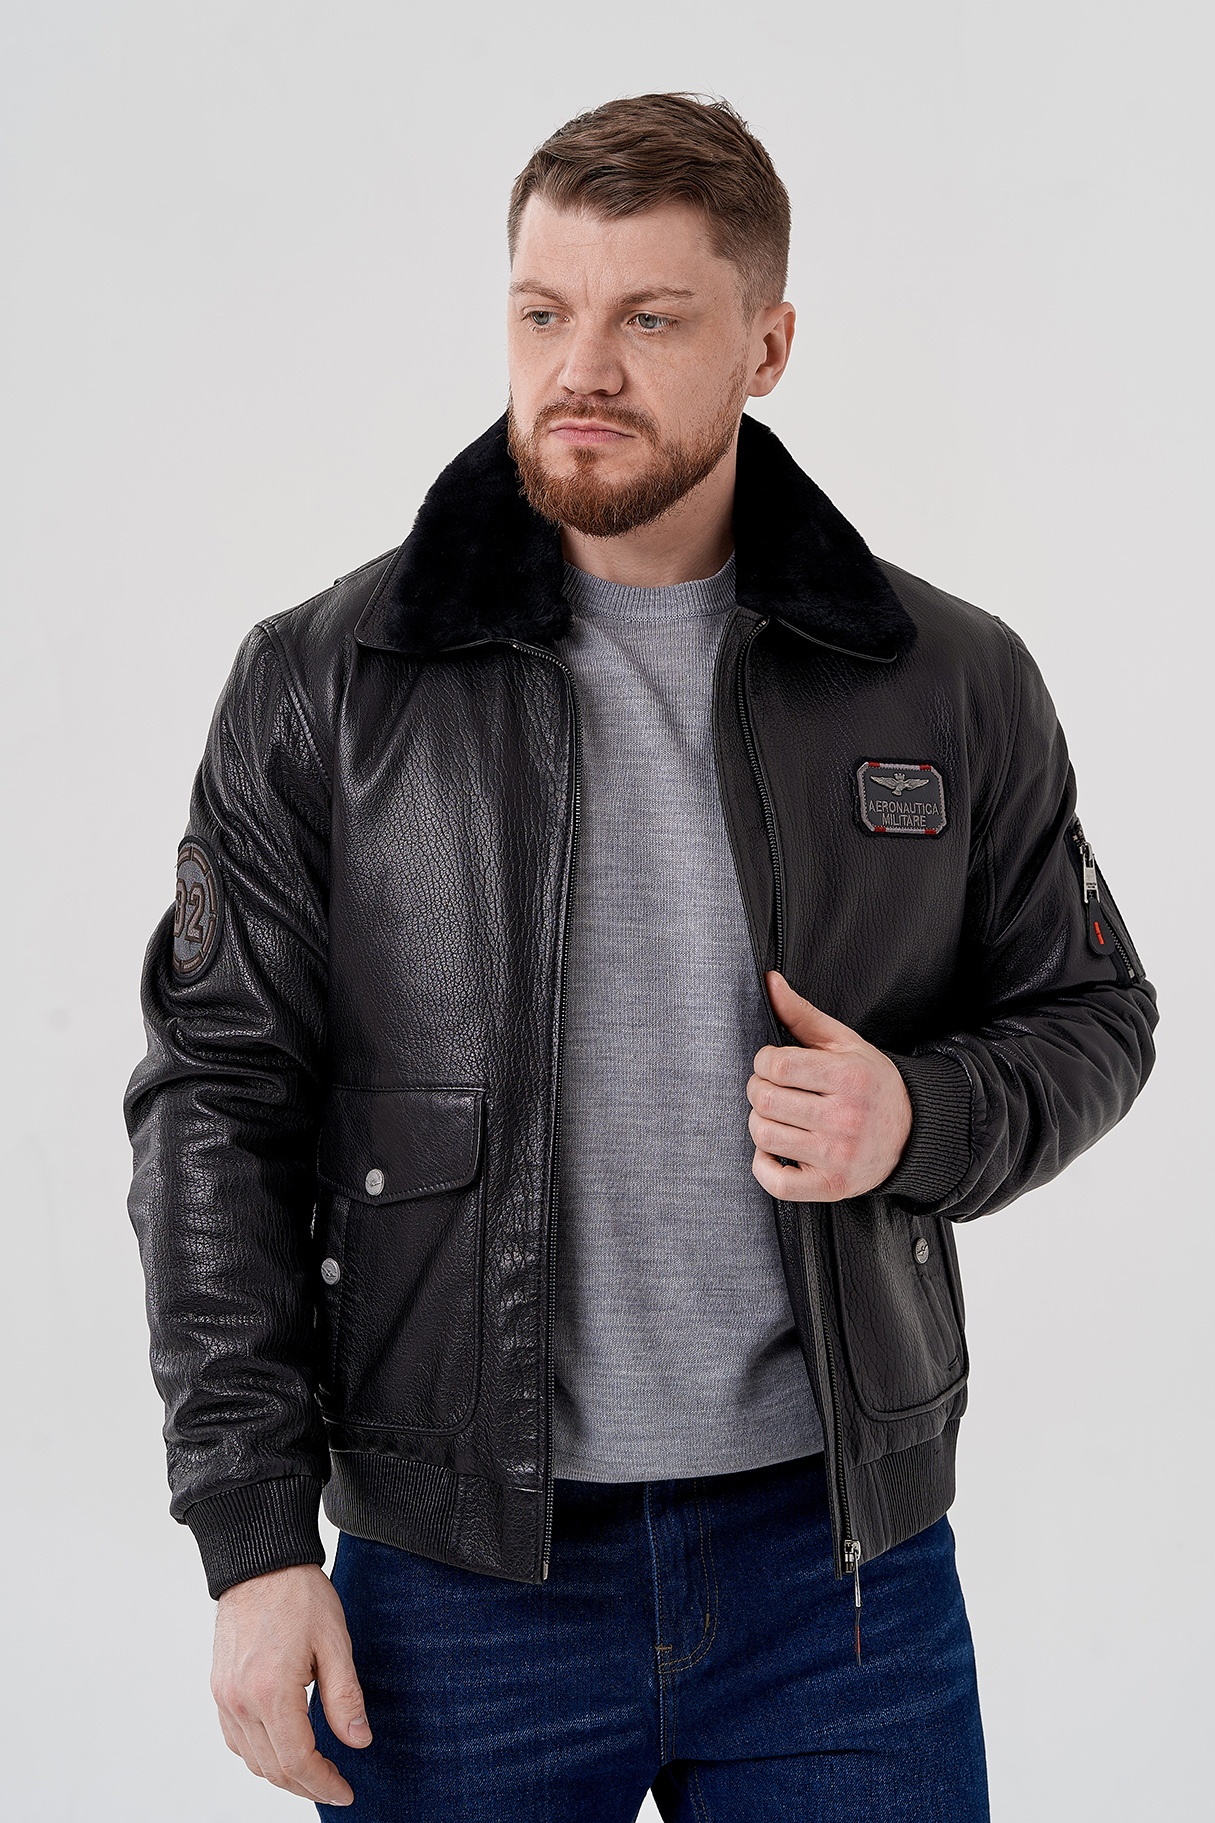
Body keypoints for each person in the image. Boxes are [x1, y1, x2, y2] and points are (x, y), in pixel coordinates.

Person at [125, 93, 1157, 1821]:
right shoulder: (328, 682)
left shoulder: (947, 677)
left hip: (840, 1573)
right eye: (543, 312)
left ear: (768, 346)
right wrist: (251, 1539)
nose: (579, 368)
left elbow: (1095, 1010)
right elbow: (214, 1106)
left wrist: (922, 1116)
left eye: (650, 319)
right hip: (458, 1581)